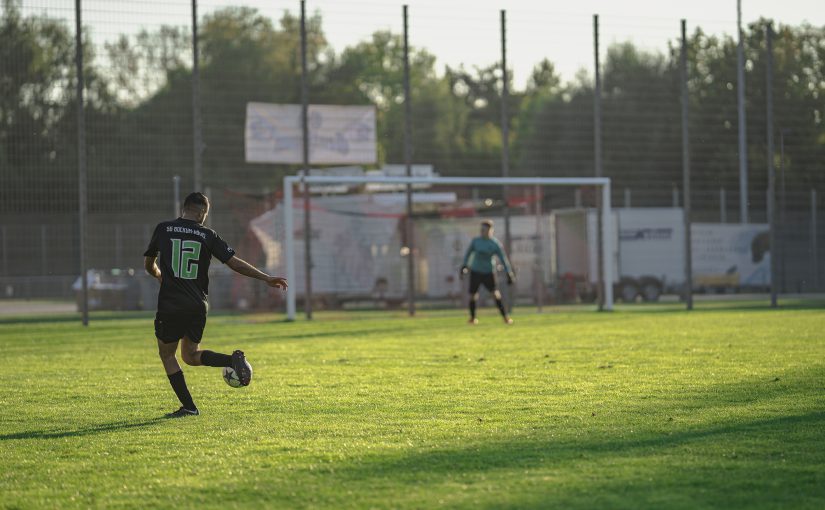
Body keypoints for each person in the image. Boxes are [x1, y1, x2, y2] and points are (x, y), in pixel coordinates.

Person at [143, 192, 287, 418]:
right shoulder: (207, 235)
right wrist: (265, 277)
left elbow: (149, 264)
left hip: (171, 303)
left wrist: (159, 274)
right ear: (201, 212)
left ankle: (189, 407)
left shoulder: (164, 228)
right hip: (198, 304)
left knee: (167, 355)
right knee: (190, 356)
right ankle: (231, 360)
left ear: (185, 208)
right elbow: (235, 264)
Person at [460, 220, 515, 324]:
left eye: (484, 229)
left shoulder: (494, 244)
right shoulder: (476, 241)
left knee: (495, 294)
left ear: (490, 230)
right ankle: (472, 318)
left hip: (489, 272)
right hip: (476, 271)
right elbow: (468, 254)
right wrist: (464, 266)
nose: (482, 231)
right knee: (473, 295)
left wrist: (509, 273)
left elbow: (503, 259)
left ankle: (505, 317)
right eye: (481, 229)